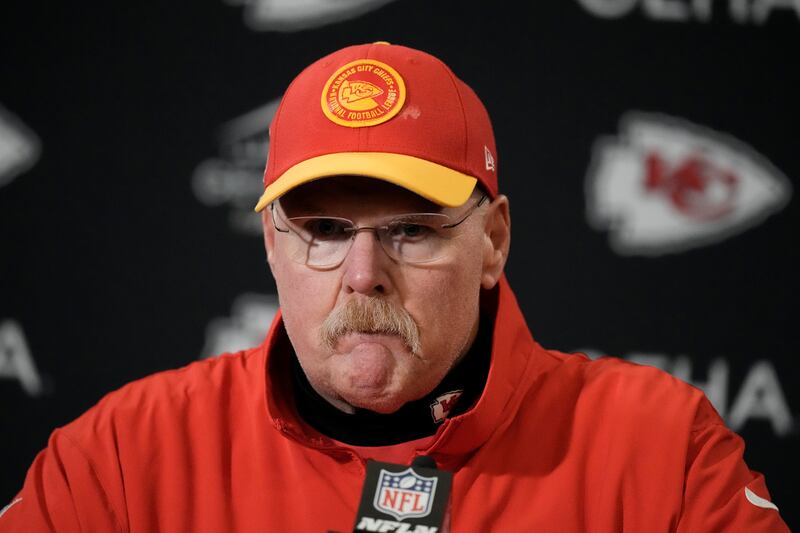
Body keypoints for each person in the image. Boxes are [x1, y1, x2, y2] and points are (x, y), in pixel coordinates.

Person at [0, 42, 790, 533]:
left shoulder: (656, 453)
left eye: (411, 229)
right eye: (325, 231)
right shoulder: (122, 460)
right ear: (272, 244)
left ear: (495, 241)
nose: (363, 273)